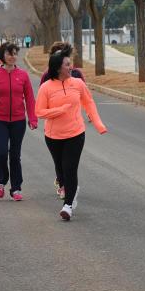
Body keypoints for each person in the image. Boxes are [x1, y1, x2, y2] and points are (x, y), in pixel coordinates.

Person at [36, 52, 107, 221]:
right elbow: (39, 112)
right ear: (58, 67)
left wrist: (98, 124)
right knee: (60, 170)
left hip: (75, 133)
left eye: (70, 64)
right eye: (67, 64)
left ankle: (67, 206)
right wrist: (59, 111)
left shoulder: (78, 83)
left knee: (70, 168)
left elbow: (88, 103)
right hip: (53, 136)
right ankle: (67, 188)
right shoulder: (46, 87)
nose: (71, 67)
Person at [0, 42, 38, 201]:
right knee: (2, 153)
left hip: (19, 121)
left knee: (15, 155)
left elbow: (30, 99)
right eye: (9, 53)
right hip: (0, 120)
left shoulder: (23, 75)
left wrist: (32, 118)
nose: (13, 56)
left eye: (14, 53)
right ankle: (1, 181)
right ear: (2, 56)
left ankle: (16, 188)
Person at [39, 41, 85, 200]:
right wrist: (57, 110)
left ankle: (69, 193)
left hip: (73, 127)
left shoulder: (77, 74)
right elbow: (42, 102)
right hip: (53, 130)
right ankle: (62, 182)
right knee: (59, 164)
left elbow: (84, 96)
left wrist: (90, 115)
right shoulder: (47, 77)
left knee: (69, 165)